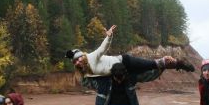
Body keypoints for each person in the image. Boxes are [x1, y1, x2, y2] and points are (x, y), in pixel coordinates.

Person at [66, 25, 194, 77]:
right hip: (122, 74)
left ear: (83, 55)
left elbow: (102, 49)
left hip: (126, 62)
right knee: (147, 74)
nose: (77, 61)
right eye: (75, 61)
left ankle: (179, 63)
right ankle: (172, 65)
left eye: (78, 58)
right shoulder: (86, 73)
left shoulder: (92, 57)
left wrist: (109, 36)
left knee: (154, 64)